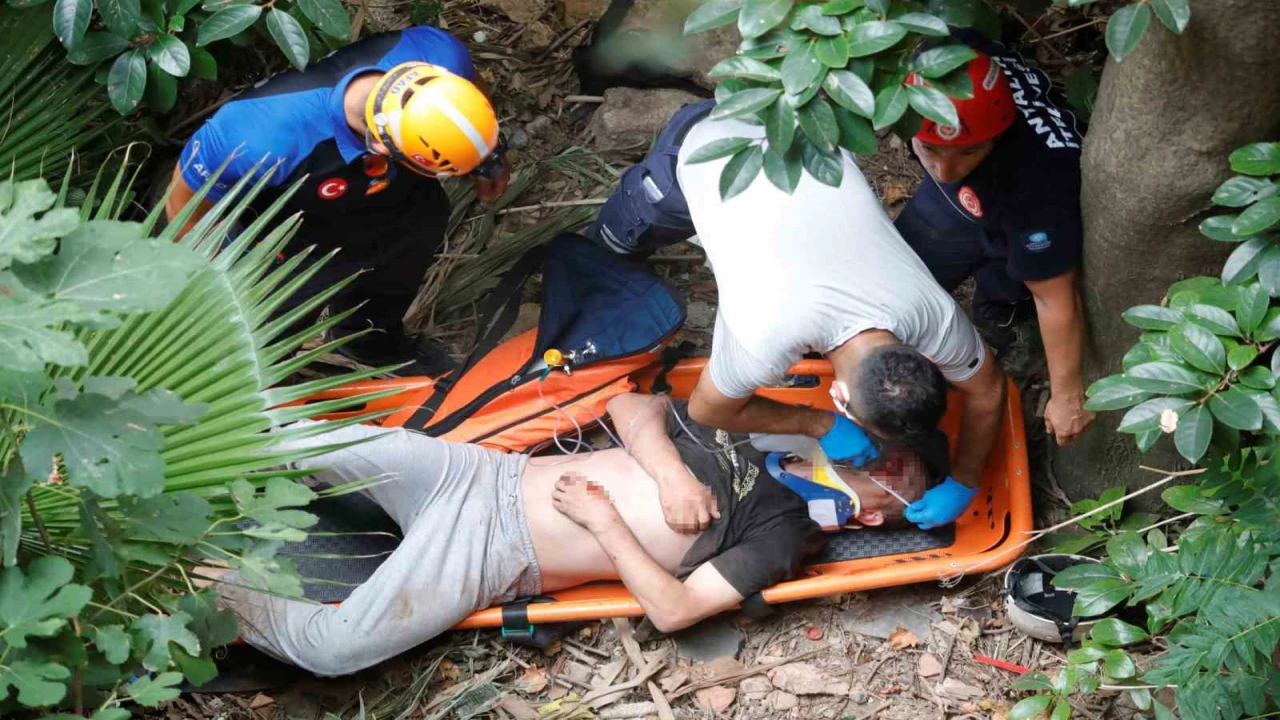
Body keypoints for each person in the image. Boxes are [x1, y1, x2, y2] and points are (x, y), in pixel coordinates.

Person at [213, 393, 930, 676]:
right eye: (895, 446)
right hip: (474, 476)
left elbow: (675, 612)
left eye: (900, 473)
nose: (889, 457)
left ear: (871, 515)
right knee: (295, 440)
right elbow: (635, 405)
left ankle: (205, 592)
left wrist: (605, 522)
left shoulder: (778, 537)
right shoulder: (765, 424)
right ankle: (166, 459)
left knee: (336, 650)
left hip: (495, 553)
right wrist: (673, 478)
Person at [166, 26, 511, 376]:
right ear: (380, 147)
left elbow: (472, 101)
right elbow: (186, 210)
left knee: (404, 261)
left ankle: (370, 343)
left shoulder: (440, 53)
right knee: (270, 334)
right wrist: (221, 284)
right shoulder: (257, 137)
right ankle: (266, 379)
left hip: (401, 207)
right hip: (294, 240)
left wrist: (488, 160)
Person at [895, 40, 1093, 446]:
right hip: (963, 202)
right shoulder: (944, 49)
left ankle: (999, 312)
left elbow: (1054, 296)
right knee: (897, 289)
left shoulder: (1037, 190)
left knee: (1010, 278)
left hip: (1015, 206)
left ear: (997, 134)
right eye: (930, 148)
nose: (947, 169)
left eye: (967, 151)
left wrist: (1067, 395)